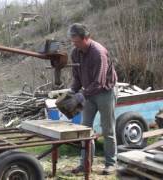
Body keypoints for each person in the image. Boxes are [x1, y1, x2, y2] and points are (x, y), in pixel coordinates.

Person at [68, 23, 118, 175]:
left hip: (105, 92)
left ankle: (111, 164)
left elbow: (99, 82)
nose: (74, 44)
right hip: (89, 92)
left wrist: (81, 95)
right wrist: (71, 92)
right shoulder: (75, 53)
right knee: (85, 129)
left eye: (76, 41)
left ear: (86, 38)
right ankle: (85, 164)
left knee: (107, 128)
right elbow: (77, 77)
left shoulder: (99, 53)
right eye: (72, 41)